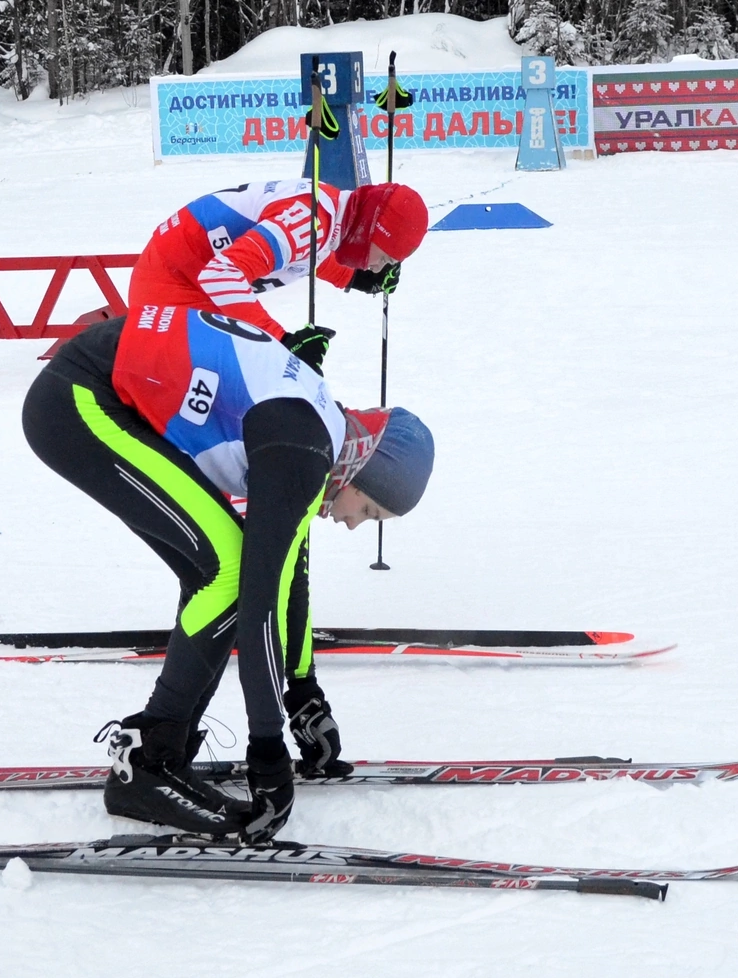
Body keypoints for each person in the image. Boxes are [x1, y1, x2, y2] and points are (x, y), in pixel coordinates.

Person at [22, 301, 436, 840]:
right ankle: (150, 763)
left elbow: (287, 578)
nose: (356, 525)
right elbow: (261, 602)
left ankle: (160, 750)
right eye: (371, 511)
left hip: (94, 387)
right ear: (366, 473)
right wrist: (268, 751)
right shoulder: (302, 449)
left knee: (222, 571)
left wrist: (302, 694)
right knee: (227, 569)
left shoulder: (320, 434)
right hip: (78, 399)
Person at [129, 180, 429, 362]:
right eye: (384, 257)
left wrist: (353, 277)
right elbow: (220, 275)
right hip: (171, 285)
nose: (380, 266)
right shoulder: (305, 221)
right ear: (369, 231)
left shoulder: (332, 212)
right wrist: (283, 341)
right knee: (234, 385)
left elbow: (307, 252)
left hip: (190, 277)